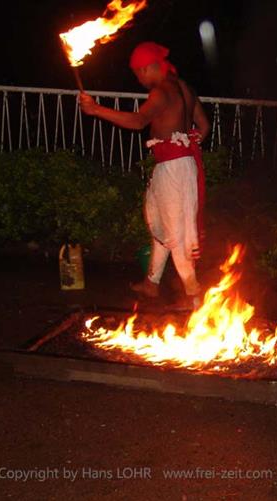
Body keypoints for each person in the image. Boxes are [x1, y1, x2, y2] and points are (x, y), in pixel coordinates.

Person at [80, 41, 210, 308]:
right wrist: (184, 144)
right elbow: (204, 127)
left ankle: (193, 295)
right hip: (179, 166)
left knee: (177, 234)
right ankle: (151, 283)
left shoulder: (161, 92)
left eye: (139, 73)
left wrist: (96, 110)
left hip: (174, 170)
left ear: (151, 67)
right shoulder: (185, 88)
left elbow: (138, 122)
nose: (139, 79)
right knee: (164, 225)